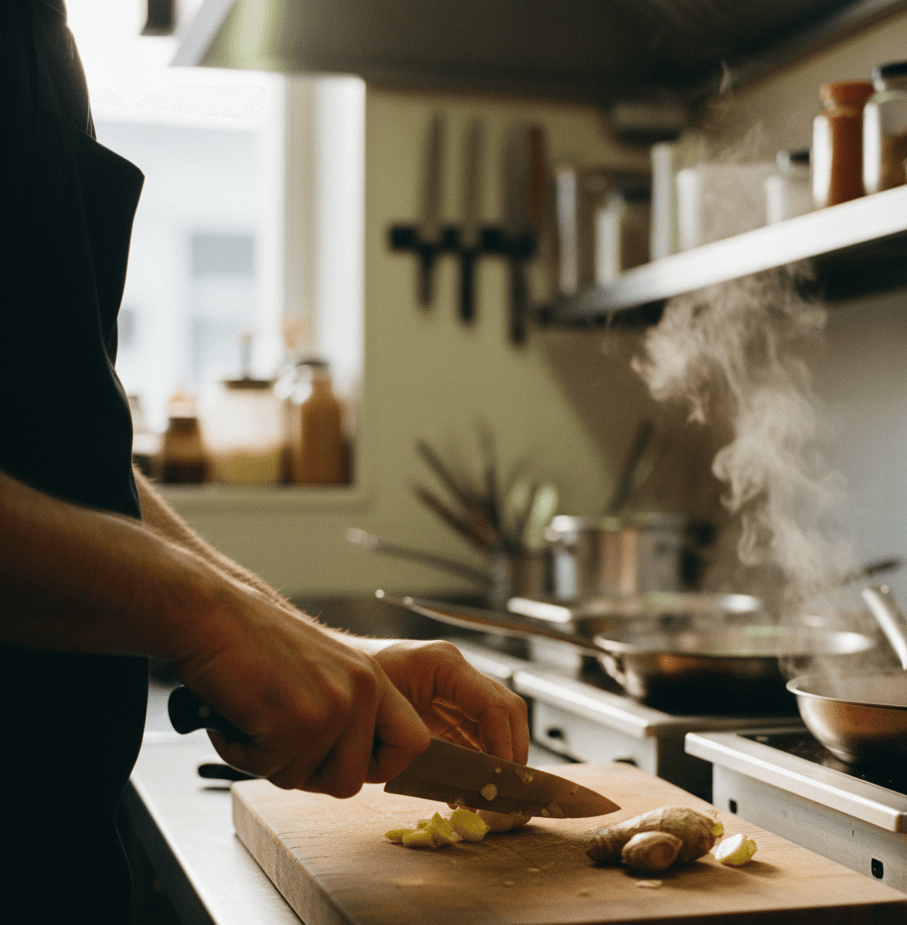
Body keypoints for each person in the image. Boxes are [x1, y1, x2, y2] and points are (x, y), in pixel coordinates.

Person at [0, 2, 529, 922]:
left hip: (49, 842)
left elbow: (55, 451)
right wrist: (207, 617)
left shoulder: (38, 36)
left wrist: (308, 641)